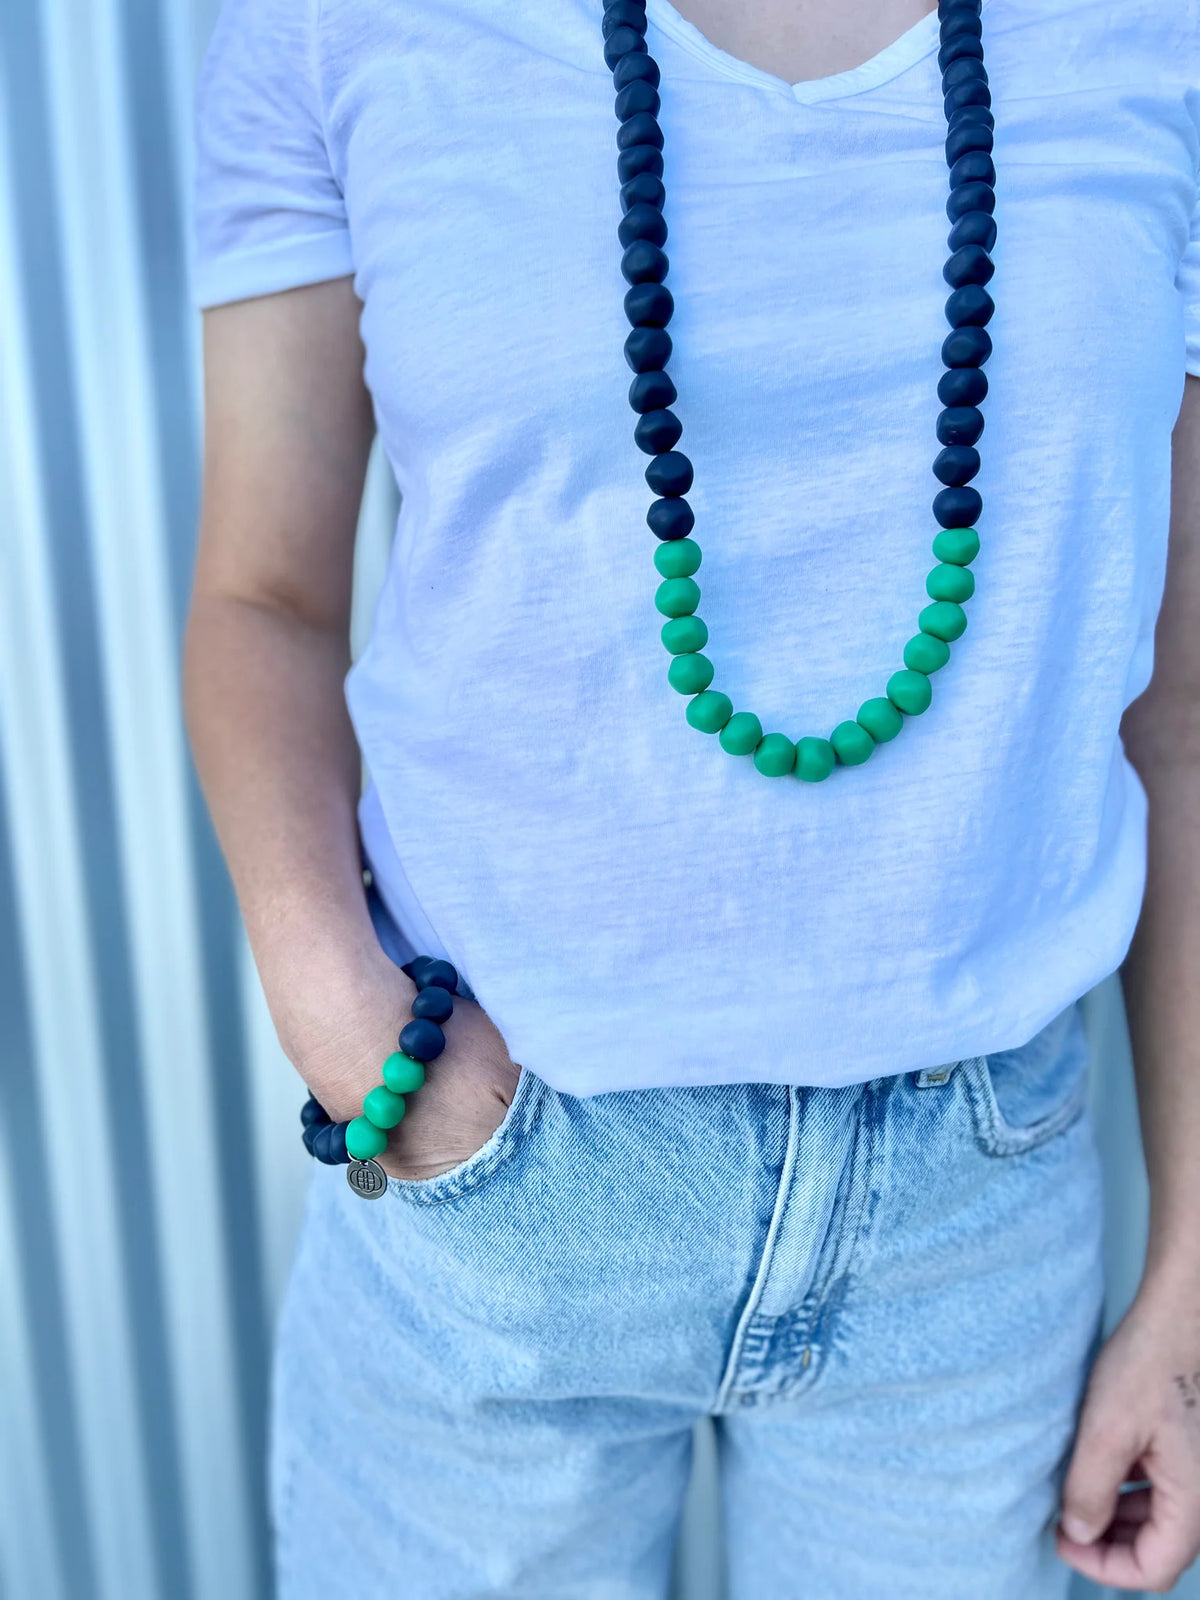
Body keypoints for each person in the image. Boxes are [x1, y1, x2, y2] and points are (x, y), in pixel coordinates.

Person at [183, 0, 1200, 1592]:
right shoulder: (336, 25)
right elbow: (265, 596)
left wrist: (1193, 1278)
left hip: (973, 1221)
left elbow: (1180, 711)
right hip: (492, 1167)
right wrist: (352, 1026)